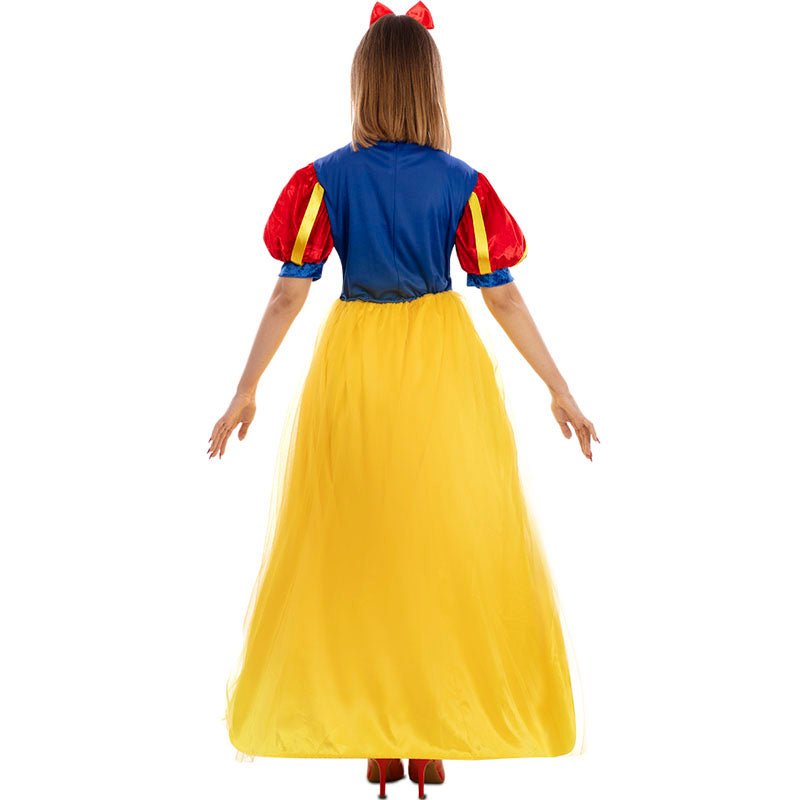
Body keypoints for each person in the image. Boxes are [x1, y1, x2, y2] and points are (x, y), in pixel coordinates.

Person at [208, 2, 598, 796]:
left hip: (355, 365)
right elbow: (502, 296)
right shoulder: (462, 184)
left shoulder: (326, 179)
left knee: (358, 542)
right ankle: (426, 728)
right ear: (431, 87)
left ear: (363, 85)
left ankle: (377, 731)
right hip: (441, 371)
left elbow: (288, 294)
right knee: (442, 544)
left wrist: (246, 388)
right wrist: (559, 388)